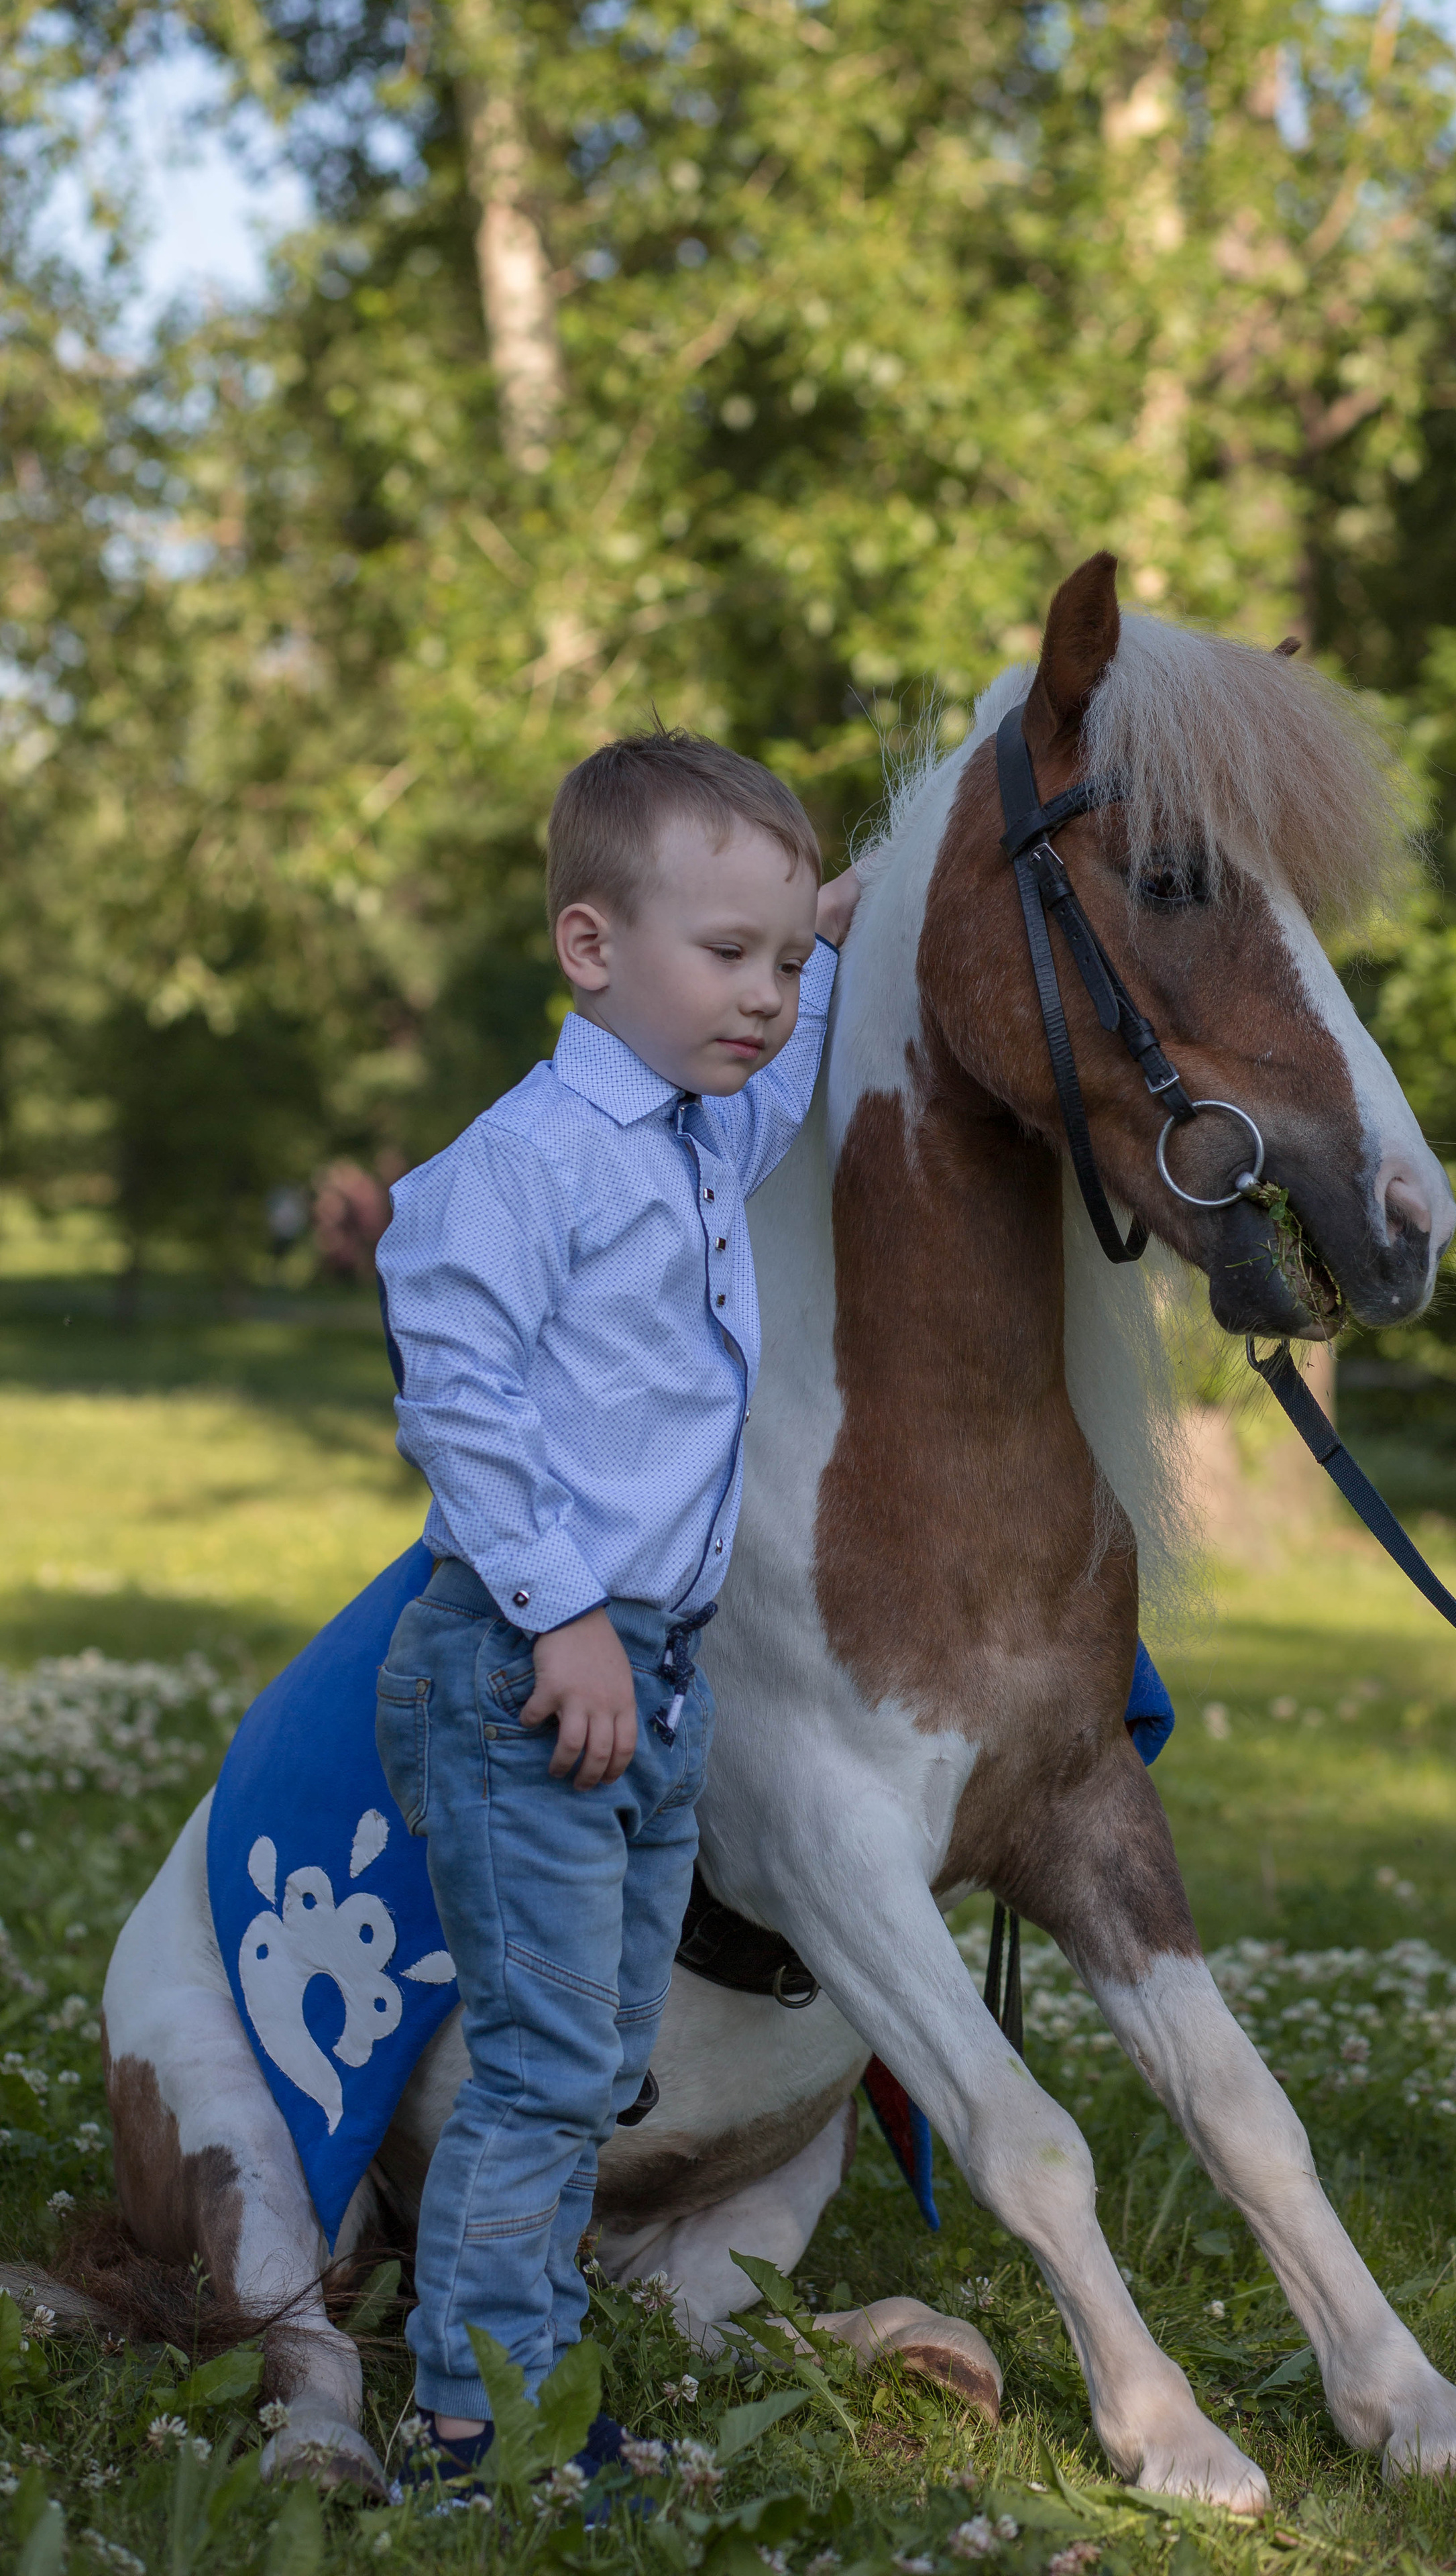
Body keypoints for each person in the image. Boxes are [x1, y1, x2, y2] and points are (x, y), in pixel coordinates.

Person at [374, 729, 859, 2475]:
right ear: (593, 949)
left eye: (790, 963)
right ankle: (470, 2418)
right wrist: (564, 1615)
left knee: (598, 2065)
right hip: (534, 1669)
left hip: (658, 1679)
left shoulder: (701, 1134)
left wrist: (850, 913)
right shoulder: (525, 1164)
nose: (769, 996)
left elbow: (793, 1069)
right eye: (729, 956)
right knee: (547, 2060)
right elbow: (459, 1387)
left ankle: (531, 2382)